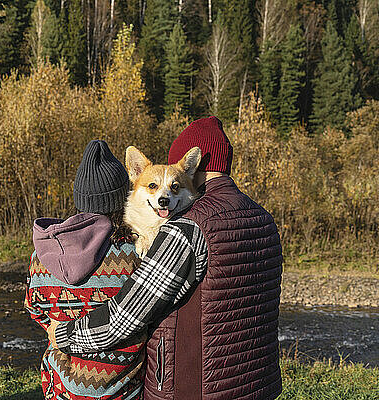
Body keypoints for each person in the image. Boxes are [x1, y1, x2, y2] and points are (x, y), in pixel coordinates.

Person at [49, 117, 283, 400]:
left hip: (193, 385)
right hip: (258, 383)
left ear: (194, 169)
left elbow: (125, 318)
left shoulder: (187, 229)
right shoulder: (263, 218)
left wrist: (64, 335)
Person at [25, 140, 146, 400]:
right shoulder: (135, 253)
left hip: (60, 387)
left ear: (80, 198)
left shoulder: (42, 254)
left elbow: (35, 309)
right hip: (122, 390)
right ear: (123, 197)